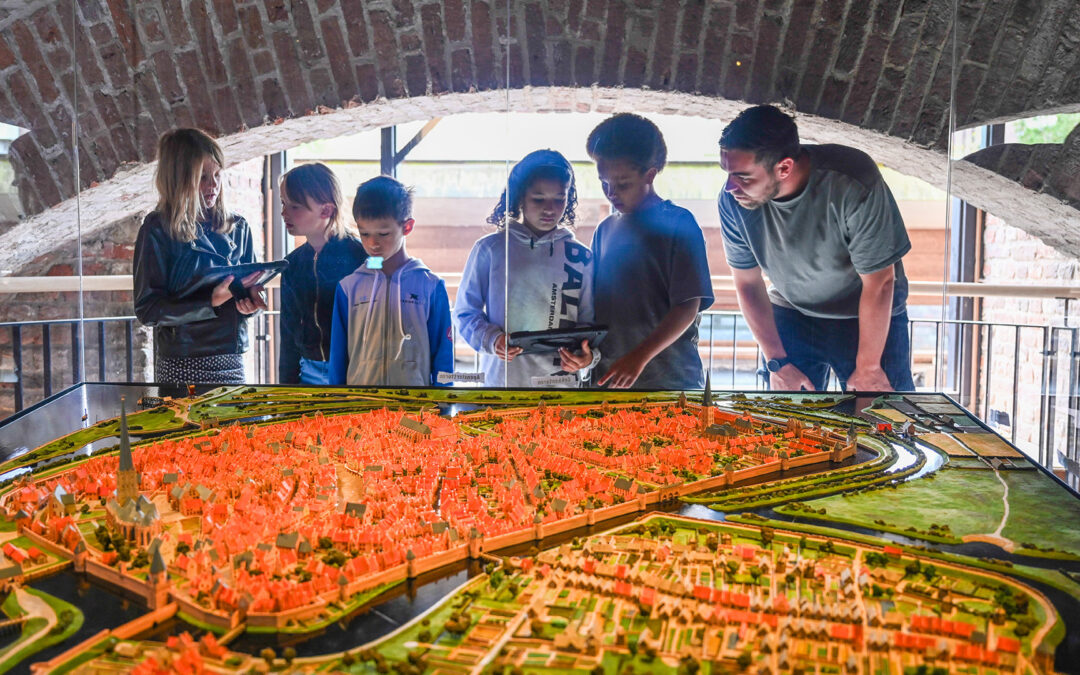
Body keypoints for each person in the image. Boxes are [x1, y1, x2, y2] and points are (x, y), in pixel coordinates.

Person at [717, 104, 915, 392]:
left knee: (882, 423)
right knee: (783, 427)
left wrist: (869, 368)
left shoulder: (853, 182)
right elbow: (747, 283)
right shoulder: (733, 201)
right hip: (792, 312)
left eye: (743, 177)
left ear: (784, 167)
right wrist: (777, 362)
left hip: (866, 315)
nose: (729, 188)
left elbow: (881, 282)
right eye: (727, 172)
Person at [586, 113, 714, 390]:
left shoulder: (679, 223)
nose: (611, 192)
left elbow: (687, 306)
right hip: (607, 378)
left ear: (650, 174)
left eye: (622, 184)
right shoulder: (604, 230)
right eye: (604, 182)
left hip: (671, 380)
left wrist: (638, 357)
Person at [133, 128, 267, 385]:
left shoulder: (238, 226)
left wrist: (250, 305)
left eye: (217, 174)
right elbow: (148, 310)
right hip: (182, 362)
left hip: (232, 358)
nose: (214, 185)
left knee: (238, 427)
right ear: (179, 178)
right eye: (203, 176)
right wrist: (209, 302)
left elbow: (243, 296)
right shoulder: (158, 229)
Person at [454, 149, 598, 387]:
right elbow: (465, 312)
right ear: (520, 197)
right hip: (503, 383)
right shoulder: (490, 249)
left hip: (562, 387)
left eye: (559, 199)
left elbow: (588, 322)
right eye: (539, 199)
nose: (550, 208)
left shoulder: (581, 256)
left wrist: (585, 356)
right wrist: (493, 339)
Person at [328, 176, 453, 386]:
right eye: (364, 233)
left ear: (407, 227)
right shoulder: (349, 287)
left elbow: (443, 358)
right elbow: (338, 359)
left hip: (414, 409)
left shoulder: (430, 286)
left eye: (383, 233)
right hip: (362, 407)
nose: (372, 243)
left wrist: (443, 407)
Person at [277, 162, 367, 384]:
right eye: (283, 203)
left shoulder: (362, 257)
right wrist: (286, 390)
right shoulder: (292, 263)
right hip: (308, 374)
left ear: (326, 210)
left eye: (294, 206)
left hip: (355, 373)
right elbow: (288, 335)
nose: (283, 213)